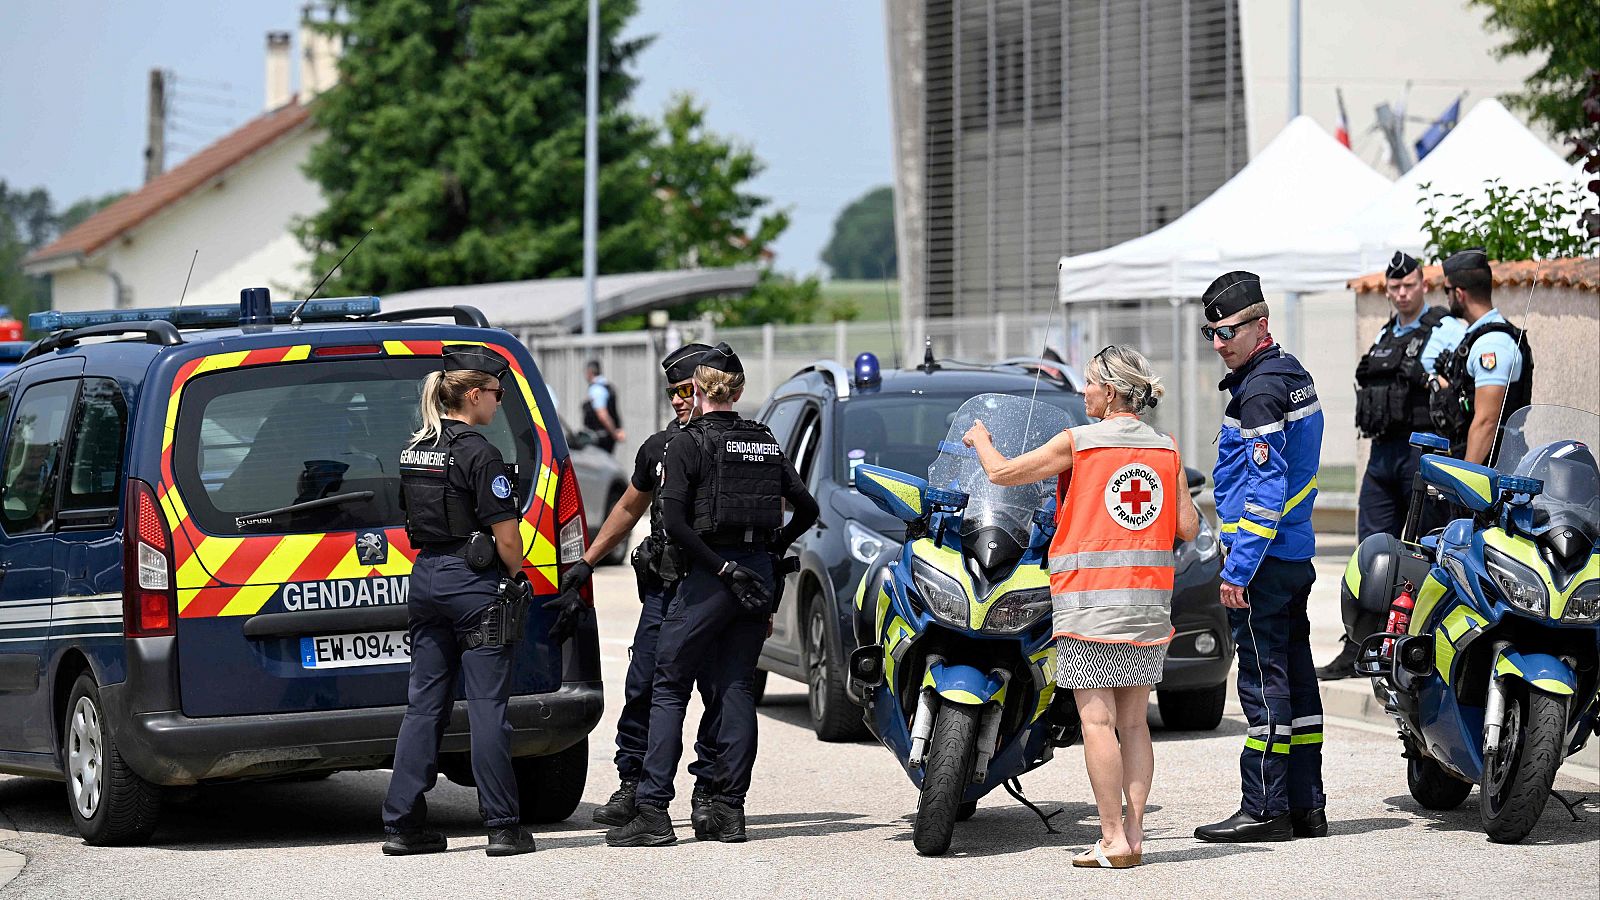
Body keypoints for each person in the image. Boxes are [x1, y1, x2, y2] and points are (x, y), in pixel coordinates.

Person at [963, 345, 1198, 870]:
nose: (1083, 390)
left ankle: (1111, 837)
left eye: (1089, 382)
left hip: (1091, 606)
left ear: (1110, 391)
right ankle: (1134, 837)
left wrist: (981, 439)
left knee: (1097, 721)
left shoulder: (1080, 444)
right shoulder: (1166, 449)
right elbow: (1187, 527)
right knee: (1135, 724)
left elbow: (1002, 476)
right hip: (1147, 607)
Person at [605, 342, 819, 846]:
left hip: (708, 576)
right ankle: (727, 810)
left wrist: (721, 567)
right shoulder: (764, 441)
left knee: (669, 686)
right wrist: (768, 554)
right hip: (757, 578)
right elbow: (806, 510)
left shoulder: (686, 444)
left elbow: (675, 524)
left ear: (698, 390)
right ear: (740, 390)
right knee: (737, 688)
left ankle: (653, 811)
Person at [555, 343, 727, 834]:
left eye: (686, 390)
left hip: (715, 591)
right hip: (665, 588)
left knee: (718, 693)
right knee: (644, 686)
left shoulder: (734, 444)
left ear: (709, 388)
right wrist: (587, 563)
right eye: (671, 391)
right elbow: (630, 507)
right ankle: (635, 786)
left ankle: (711, 795)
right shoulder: (659, 446)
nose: (677, 400)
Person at [382, 345, 537, 857]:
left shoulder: (415, 448)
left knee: (424, 706)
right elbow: (507, 536)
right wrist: (516, 577)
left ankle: (403, 825)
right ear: (474, 395)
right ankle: (502, 826)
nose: (499, 401)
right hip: (472, 583)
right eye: (496, 392)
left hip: (425, 579)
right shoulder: (480, 452)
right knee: (488, 708)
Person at [1192, 272, 1328, 844]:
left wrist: (1238, 568)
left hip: (1264, 560)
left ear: (1260, 325)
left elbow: (1264, 490)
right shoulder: (1291, 375)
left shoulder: (1261, 392)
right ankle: (1306, 807)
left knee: (1263, 682)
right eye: (1211, 332)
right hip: (1294, 555)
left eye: (1228, 331)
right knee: (1297, 681)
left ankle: (1263, 808)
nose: (1220, 343)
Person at [1318, 251, 1454, 680]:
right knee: (1370, 550)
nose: (1400, 292)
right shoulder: (1384, 333)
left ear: (1423, 285)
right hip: (1382, 453)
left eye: (1408, 285)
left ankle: (1422, 644)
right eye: (1394, 287)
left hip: (1422, 451)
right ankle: (1359, 646)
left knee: (1424, 546)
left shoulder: (1444, 330)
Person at [1426, 248, 1534, 467]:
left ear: (1459, 294)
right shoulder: (1478, 337)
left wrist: (1466, 480)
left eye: (1446, 290)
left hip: (1492, 469)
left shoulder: (1491, 344)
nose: (1446, 297)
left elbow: (1487, 421)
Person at [584, 359, 626, 453]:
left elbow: (602, 415)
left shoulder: (596, 389)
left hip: (599, 438)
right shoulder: (607, 386)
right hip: (605, 437)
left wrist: (614, 432)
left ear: (590, 372)